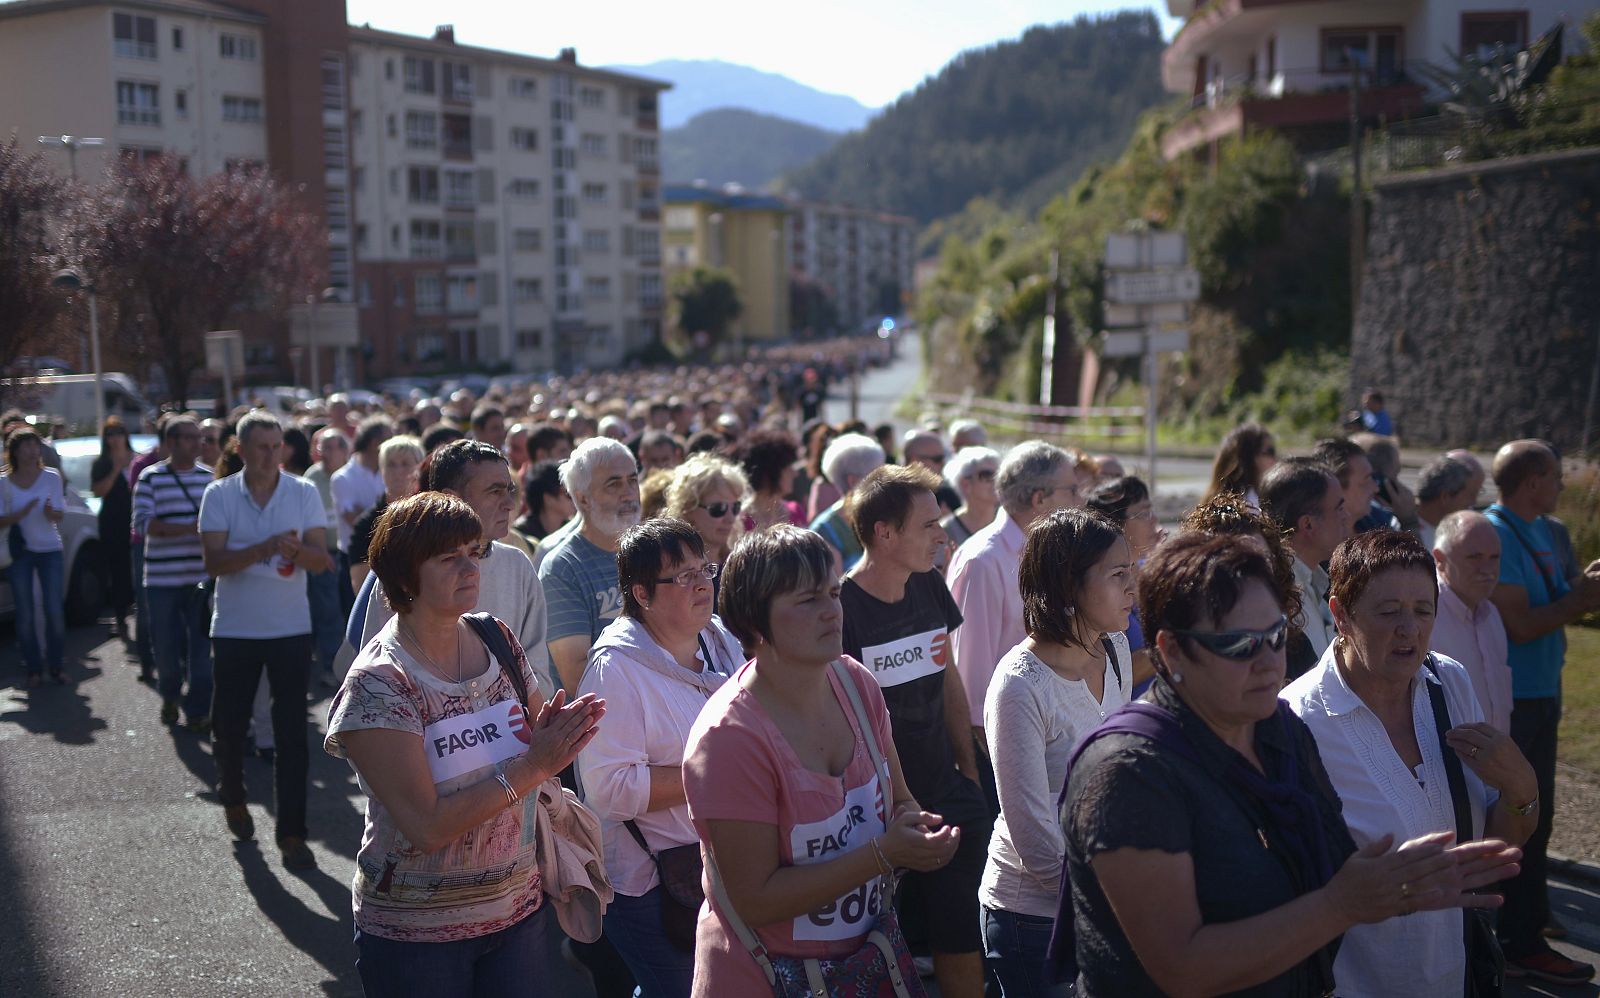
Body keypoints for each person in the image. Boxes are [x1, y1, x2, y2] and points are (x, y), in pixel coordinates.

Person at [1059, 531, 1522, 997]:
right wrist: (1342, 906)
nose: (1269, 663)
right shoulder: (1128, 772)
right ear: (1174, 648)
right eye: (1240, 644)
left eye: (1276, 636)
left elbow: (1331, 866)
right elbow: (1183, 968)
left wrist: (1405, 883)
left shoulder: (1276, 727)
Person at [326, 491, 606, 995]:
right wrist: (536, 765)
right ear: (405, 575)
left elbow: (538, 736)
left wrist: (564, 733)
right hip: (419, 934)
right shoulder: (380, 682)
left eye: (473, 552)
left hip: (517, 911)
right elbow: (426, 825)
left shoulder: (497, 637)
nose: (470, 567)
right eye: (448, 558)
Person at [682, 525, 960, 996]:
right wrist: (882, 855)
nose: (832, 611)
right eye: (809, 600)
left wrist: (918, 832)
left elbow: (899, 801)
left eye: (833, 593)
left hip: (865, 967)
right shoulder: (728, 739)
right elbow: (755, 899)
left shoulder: (856, 684)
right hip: (764, 979)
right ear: (754, 622)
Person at [1285, 530, 1537, 996]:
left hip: (1454, 977)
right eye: (1388, 612)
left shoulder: (1448, 684)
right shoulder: (1297, 722)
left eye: (1424, 611)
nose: (1410, 629)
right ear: (1339, 613)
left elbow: (1490, 854)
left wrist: (1522, 790)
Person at [576, 519, 744, 996]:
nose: (702, 583)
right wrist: (715, 773)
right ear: (642, 594)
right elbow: (609, 791)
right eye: (682, 576)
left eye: (703, 569)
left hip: (724, 860)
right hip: (651, 881)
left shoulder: (719, 638)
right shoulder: (616, 670)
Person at [839, 464, 987, 998]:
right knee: (876, 947)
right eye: (927, 525)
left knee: (960, 933)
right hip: (876, 819)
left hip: (947, 794)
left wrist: (967, 772)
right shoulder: (840, 610)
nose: (942, 536)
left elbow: (947, 675)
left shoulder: (929, 584)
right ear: (885, 532)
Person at [980, 508, 1133, 998]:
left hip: (1107, 899)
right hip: (1035, 920)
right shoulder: (1020, 686)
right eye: (1117, 575)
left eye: (1131, 570)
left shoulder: (1116, 648)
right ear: (1069, 586)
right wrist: (1112, 900)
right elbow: (1032, 834)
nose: (1133, 586)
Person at [1484, 439, 1600, 983]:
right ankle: (1517, 940)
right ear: (1532, 482)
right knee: (1520, 814)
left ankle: (1525, 923)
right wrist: (1579, 600)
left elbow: (1552, 600)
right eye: (1555, 475)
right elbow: (1523, 624)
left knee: (1540, 813)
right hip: (1515, 699)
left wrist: (1583, 588)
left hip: (1542, 691)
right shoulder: (1497, 534)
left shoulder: (1544, 530)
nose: (1561, 483)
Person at [198, 410, 331, 869]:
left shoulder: (303, 492)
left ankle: (292, 834)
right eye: (262, 447)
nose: (272, 455)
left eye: (277, 447)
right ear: (240, 449)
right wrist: (264, 548)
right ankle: (233, 795)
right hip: (234, 628)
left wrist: (298, 551)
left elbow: (322, 561)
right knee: (229, 726)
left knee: (292, 734)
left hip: (290, 629)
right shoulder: (219, 494)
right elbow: (213, 564)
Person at [354, 440, 552, 702]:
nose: (509, 504)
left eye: (509, 490)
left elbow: (537, 674)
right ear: (452, 497)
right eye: (494, 492)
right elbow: (377, 678)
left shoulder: (518, 565)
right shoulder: (407, 569)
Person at [948, 441, 1084, 811]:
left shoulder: (1050, 550)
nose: (1082, 498)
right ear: (1039, 499)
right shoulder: (984, 562)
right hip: (1007, 750)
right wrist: (998, 770)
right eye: (1072, 490)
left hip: (1050, 737)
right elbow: (973, 685)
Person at [1179, 491, 1316, 681]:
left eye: (1263, 562)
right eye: (1240, 566)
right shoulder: (1193, 652)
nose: (1255, 577)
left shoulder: (1296, 646)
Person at [542, 436, 642, 695]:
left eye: (633, 480)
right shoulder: (562, 568)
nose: (629, 493)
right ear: (583, 499)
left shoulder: (652, 552)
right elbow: (578, 677)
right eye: (614, 484)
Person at [133, 416, 215, 730]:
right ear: (172, 442)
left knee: (200, 649)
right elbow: (142, 525)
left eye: (200, 437)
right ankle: (169, 694)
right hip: (161, 581)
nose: (200, 443)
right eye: (191, 438)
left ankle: (196, 710)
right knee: (166, 649)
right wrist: (191, 530)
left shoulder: (209, 479)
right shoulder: (150, 478)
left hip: (201, 581)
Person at [1430, 511, 1513, 732]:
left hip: (1491, 761)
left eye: (1494, 557)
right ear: (1440, 560)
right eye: (1474, 557)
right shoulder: (1425, 617)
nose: (1487, 569)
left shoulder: (1490, 614)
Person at [1260, 458, 1349, 659]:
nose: (1347, 516)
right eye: (1339, 508)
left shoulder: (1311, 579)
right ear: (1307, 524)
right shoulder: (1279, 597)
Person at [2, 428, 68, 687]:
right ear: (14, 452)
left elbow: (60, 515)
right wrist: (22, 512)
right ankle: (33, 667)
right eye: (26, 446)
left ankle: (56, 665)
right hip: (20, 552)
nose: (32, 450)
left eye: (35, 445)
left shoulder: (51, 477)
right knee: (25, 612)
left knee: (53, 609)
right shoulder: (4, 483)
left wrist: (52, 513)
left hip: (50, 549)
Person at [1084, 476, 1161, 690]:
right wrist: (1175, 643)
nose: (1154, 520)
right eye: (1144, 514)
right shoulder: (1101, 586)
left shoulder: (1153, 572)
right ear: (1115, 525)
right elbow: (1114, 676)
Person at [304, 427, 352, 681]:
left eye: (335, 447)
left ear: (346, 451)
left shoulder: (350, 477)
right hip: (324, 554)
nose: (328, 453)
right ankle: (331, 668)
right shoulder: (311, 478)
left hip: (351, 554)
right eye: (324, 447)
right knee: (329, 613)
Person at [348, 435, 424, 589]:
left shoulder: (433, 516)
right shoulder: (366, 525)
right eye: (391, 464)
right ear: (381, 471)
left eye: (405, 464)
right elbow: (361, 585)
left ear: (419, 467)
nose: (398, 471)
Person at [807, 433, 886, 574]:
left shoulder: (885, 515)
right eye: (877, 475)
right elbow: (835, 590)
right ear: (853, 481)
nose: (885, 480)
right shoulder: (825, 531)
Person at [90, 418, 136, 635]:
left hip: (136, 520)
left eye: (119, 433)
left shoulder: (137, 460)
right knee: (118, 571)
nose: (115, 438)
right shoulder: (101, 463)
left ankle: (139, 611)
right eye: (110, 434)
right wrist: (116, 470)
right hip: (112, 523)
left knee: (135, 568)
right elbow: (99, 491)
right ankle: (120, 618)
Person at [663, 452, 748, 567]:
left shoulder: (741, 566)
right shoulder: (671, 570)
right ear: (688, 509)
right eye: (718, 509)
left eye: (735, 507)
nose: (730, 518)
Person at [332, 415, 392, 569]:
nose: (393, 444)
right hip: (353, 560)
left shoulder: (389, 472)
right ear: (374, 443)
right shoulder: (342, 478)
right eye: (389, 439)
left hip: (385, 557)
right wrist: (389, 518)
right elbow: (353, 519)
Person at [729, 427, 807, 531]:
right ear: (769, 473)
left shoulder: (795, 511)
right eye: (787, 468)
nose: (795, 473)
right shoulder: (739, 521)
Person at [1312, 437, 1387, 534]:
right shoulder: (1315, 545)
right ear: (1335, 487)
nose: (1376, 488)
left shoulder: (1377, 524)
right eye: (1367, 479)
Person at [940, 446, 1001, 553]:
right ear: (965, 484)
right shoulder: (946, 531)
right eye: (987, 475)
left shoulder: (1008, 523)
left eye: (1000, 474)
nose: (997, 481)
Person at [1203, 422, 1277, 509]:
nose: (1275, 459)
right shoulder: (1249, 505)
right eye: (1270, 451)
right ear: (1248, 457)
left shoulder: (1214, 501)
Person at [1413, 456, 1476, 551]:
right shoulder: (1402, 532)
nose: (1472, 502)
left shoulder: (1454, 532)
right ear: (1445, 497)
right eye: (1469, 495)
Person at [514, 459, 576, 544]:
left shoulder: (573, 530)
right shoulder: (520, 534)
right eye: (568, 493)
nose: (575, 497)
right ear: (548, 499)